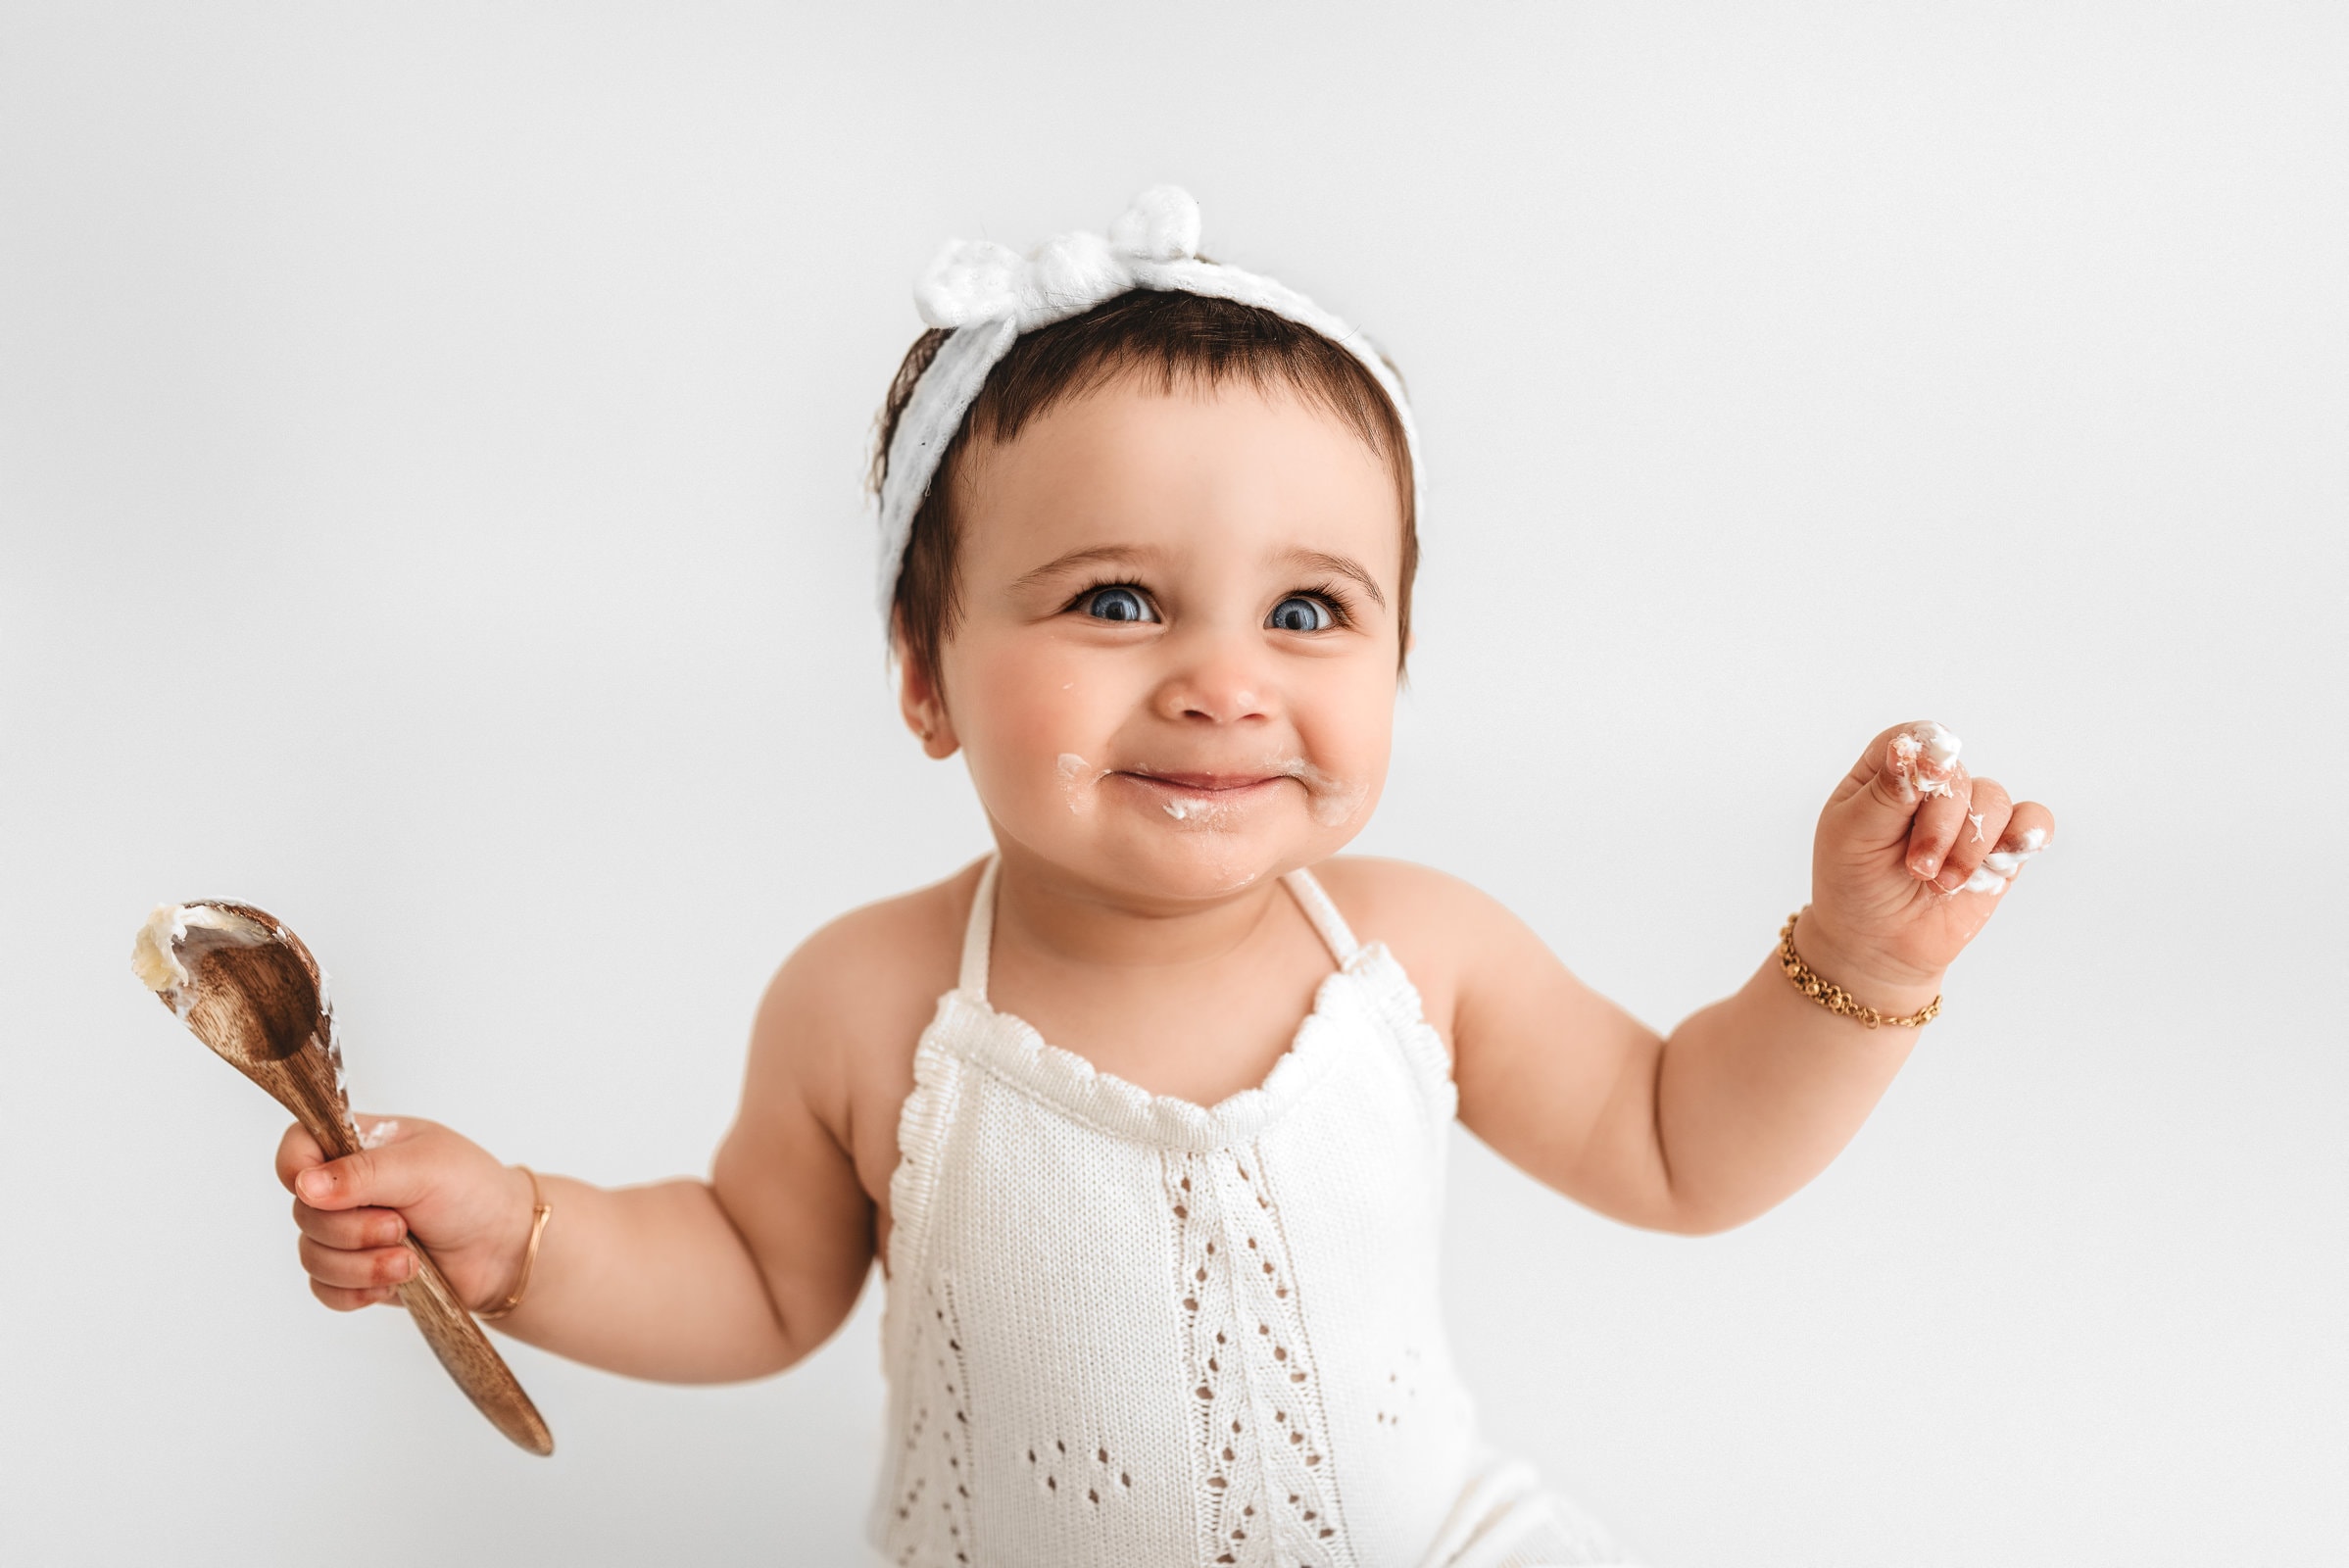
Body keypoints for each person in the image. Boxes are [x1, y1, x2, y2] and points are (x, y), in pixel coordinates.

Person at [277, 188, 2053, 1567]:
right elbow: (753, 1274)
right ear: (925, 673)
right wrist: (521, 1234)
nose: (1224, 679)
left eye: (1308, 610)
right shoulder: (874, 1003)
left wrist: (1857, 960)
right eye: (1115, 600)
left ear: (1399, 656)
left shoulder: (1409, 954)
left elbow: (1680, 1144)